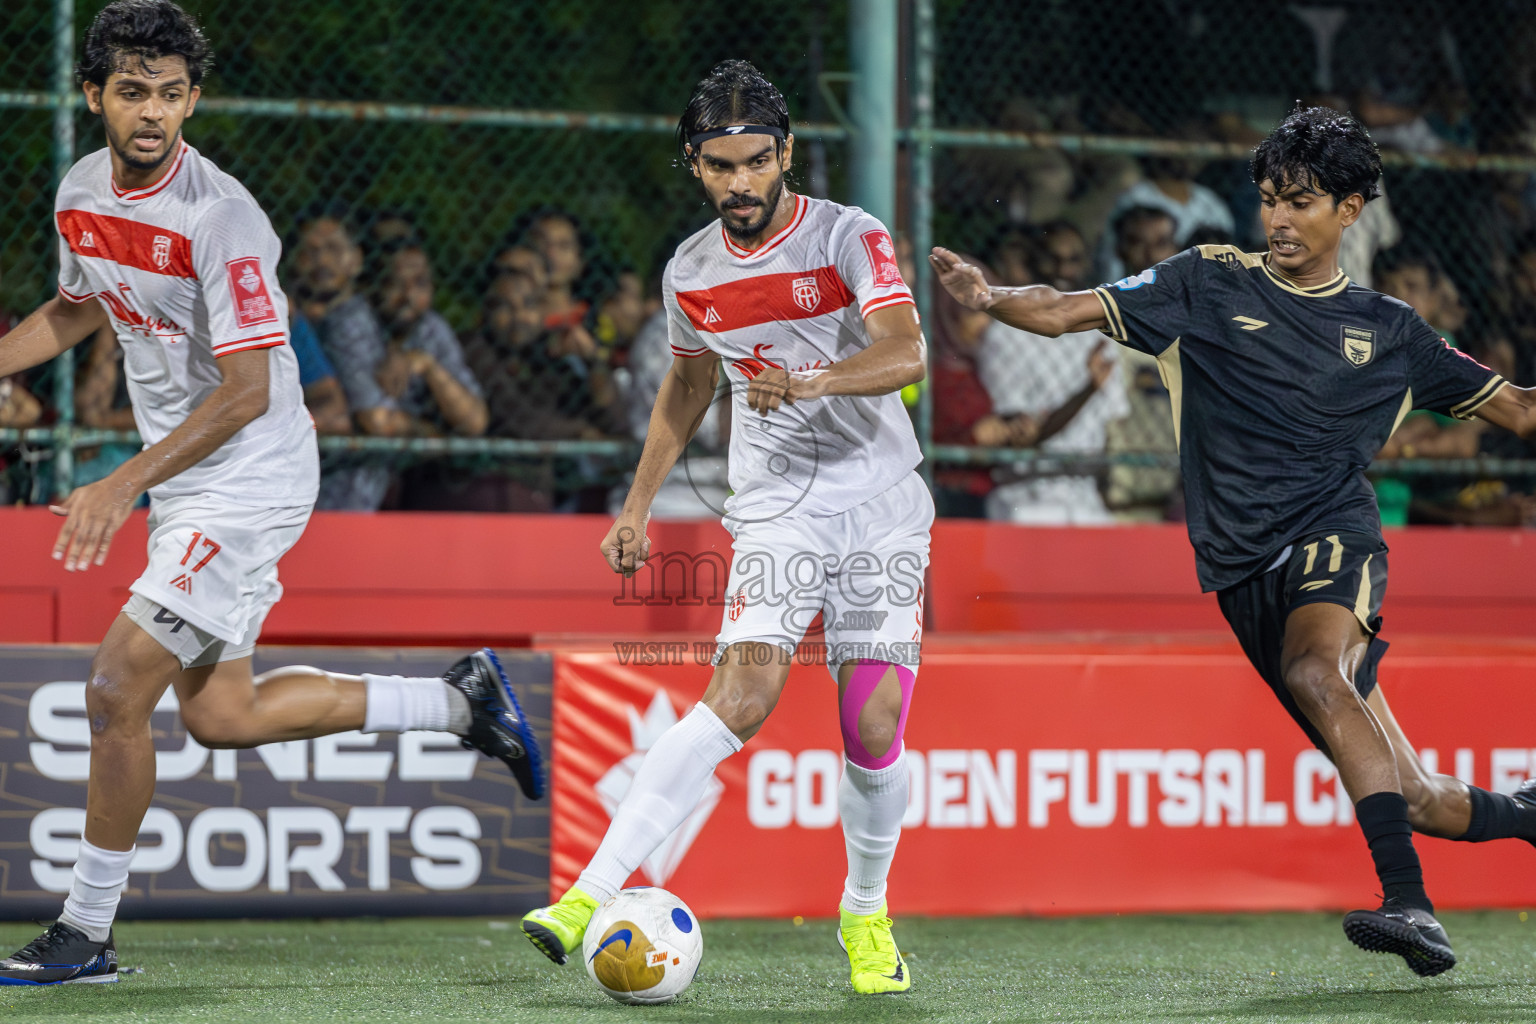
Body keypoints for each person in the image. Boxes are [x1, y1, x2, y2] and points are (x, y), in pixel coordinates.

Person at [0, 1, 542, 985]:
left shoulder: (223, 216)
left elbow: (247, 391)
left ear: (193, 99)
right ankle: (456, 703)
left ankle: (84, 931)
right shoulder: (83, 190)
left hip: (248, 472)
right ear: (94, 96)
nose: (153, 114)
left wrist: (119, 483)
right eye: (132, 93)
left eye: (172, 95)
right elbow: (79, 307)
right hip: (187, 473)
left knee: (118, 683)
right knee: (222, 715)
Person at [932, 106, 1536, 978]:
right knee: (1415, 795)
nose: (1280, 220)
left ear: (1351, 210)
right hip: (1243, 570)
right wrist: (991, 297)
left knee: (1316, 669)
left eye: (1301, 202)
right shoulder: (1206, 284)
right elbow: (1069, 310)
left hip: (1336, 536)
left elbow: (1518, 408)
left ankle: (1410, 903)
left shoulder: (1393, 331)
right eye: (1269, 200)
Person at [520, 60, 929, 995]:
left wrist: (815, 381)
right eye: (719, 166)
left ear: (784, 154)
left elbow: (905, 349)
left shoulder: (847, 236)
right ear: (694, 165)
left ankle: (865, 912)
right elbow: (689, 383)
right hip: (778, 506)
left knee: (871, 723)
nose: (739, 182)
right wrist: (635, 506)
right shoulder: (690, 271)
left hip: (882, 507)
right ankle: (587, 893)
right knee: (741, 692)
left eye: (755, 161)